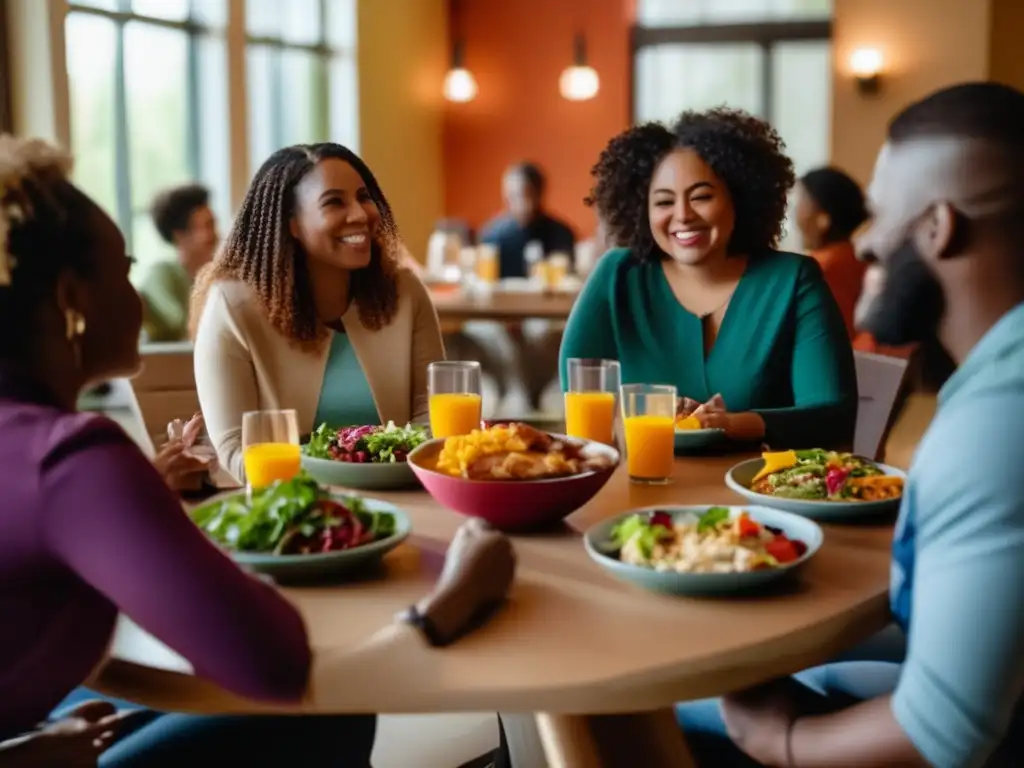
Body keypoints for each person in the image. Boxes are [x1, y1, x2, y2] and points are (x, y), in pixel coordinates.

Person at [0, 134, 516, 766]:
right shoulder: (73, 461)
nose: (140, 300)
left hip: (39, 731)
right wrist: (452, 603)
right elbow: (279, 665)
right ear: (71, 302)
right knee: (330, 723)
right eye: (126, 272)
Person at [676, 81, 1024, 767]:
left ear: (939, 227)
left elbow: (944, 734)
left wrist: (781, 740)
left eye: (880, 221)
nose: (864, 252)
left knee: (635, 714)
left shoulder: (994, 424)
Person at [560, 110, 857, 449]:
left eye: (701, 196)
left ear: (740, 197)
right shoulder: (617, 274)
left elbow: (832, 415)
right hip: (639, 484)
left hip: (759, 488)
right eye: (664, 201)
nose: (683, 215)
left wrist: (732, 423)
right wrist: (645, 417)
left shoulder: (794, 280)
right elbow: (578, 392)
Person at [190, 143, 445, 482]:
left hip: (407, 495)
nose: (360, 214)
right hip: (293, 510)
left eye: (364, 197)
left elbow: (432, 420)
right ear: (291, 224)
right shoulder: (232, 305)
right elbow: (236, 449)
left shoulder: (405, 292)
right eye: (334, 202)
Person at [793, 167, 869, 338]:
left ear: (823, 220)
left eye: (800, 203)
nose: (794, 214)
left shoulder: (817, 270)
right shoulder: (861, 259)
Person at [138, 184, 219, 342]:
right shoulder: (162, 275)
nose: (215, 235)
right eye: (207, 226)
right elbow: (178, 322)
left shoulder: (217, 278)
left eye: (214, 225)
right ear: (179, 235)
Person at [480, 162, 576, 279]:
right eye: (508, 195)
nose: (510, 202)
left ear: (538, 194)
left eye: (518, 195)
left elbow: (566, 278)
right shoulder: (493, 235)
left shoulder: (561, 234)